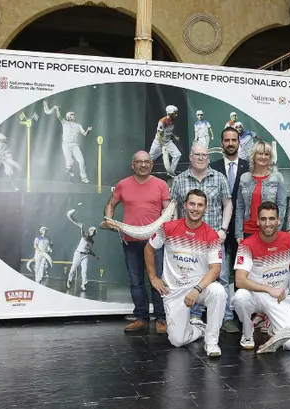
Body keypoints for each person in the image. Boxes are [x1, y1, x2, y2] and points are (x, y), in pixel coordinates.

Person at [144, 189, 227, 357]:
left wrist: (196, 289)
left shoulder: (211, 236)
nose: (195, 208)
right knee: (177, 341)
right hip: (173, 291)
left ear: (205, 208)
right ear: (185, 205)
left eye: (200, 205)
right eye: (192, 204)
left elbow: (215, 269)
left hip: (198, 288)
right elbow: (149, 249)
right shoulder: (168, 228)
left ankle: (211, 343)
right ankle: (198, 328)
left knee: (218, 292)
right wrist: (153, 277)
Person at [169, 144, 238, 333]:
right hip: (188, 240)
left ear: (208, 157)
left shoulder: (219, 177)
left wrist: (223, 229)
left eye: (204, 155)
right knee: (191, 277)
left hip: (214, 239)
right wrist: (175, 227)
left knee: (222, 278)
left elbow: (228, 204)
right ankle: (194, 316)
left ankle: (226, 318)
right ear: (190, 157)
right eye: (197, 155)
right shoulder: (180, 180)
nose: (201, 158)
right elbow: (173, 205)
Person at [101, 151, 169, 333]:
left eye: (147, 162)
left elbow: (167, 210)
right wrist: (109, 220)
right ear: (133, 165)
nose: (143, 165)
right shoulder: (123, 184)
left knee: (158, 280)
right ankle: (141, 317)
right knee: (136, 281)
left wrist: (167, 218)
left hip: (155, 242)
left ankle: (162, 319)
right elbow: (110, 204)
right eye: (139, 162)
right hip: (130, 241)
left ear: (151, 165)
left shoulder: (161, 185)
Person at [233, 202, 290, 350]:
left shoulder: (289, 239)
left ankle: (273, 326)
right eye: (263, 219)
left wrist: (285, 287)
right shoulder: (246, 244)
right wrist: (268, 289)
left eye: (271, 219)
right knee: (239, 297)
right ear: (257, 221)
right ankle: (247, 332)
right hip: (255, 295)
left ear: (278, 220)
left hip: (278, 297)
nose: (268, 223)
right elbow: (239, 280)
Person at [210, 127, 250, 294]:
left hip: (243, 227)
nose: (231, 143)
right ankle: (222, 310)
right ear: (222, 143)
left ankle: (240, 308)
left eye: (234, 140)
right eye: (227, 140)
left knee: (243, 269)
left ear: (239, 142)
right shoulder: (212, 167)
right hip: (220, 228)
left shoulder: (249, 167)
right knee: (220, 270)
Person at [235, 141, 287, 242]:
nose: (263, 157)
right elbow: (240, 207)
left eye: (266, 154)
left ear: (270, 157)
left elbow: (281, 206)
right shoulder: (244, 178)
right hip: (248, 231)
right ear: (254, 156)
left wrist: (276, 231)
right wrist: (238, 233)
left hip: (269, 231)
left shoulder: (277, 177)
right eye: (260, 153)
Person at [43, 99, 93, 184]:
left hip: (75, 145)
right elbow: (59, 116)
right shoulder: (64, 122)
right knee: (70, 162)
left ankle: (84, 178)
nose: (74, 116)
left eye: (74, 115)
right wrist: (56, 109)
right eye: (72, 115)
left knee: (81, 160)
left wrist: (88, 130)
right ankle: (68, 170)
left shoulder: (78, 125)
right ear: (68, 117)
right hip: (66, 145)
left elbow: (85, 134)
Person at [148, 105, 183, 176]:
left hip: (167, 142)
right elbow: (159, 134)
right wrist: (162, 145)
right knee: (149, 159)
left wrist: (174, 136)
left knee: (177, 154)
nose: (176, 115)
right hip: (158, 143)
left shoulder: (172, 120)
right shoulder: (162, 121)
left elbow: (168, 131)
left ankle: (170, 173)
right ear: (170, 113)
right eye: (175, 113)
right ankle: (144, 172)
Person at [67, 226, 99, 291]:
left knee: (84, 270)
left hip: (85, 256)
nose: (93, 232)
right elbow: (83, 234)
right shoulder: (86, 236)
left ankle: (83, 284)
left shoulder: (92, 241)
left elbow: (89, 250)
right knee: (73, 268)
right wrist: (81, 228)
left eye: (94, 231)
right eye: (92, 230)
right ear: (90, 231)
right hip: (78, 254)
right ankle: (69, 280)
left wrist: (95, 256)